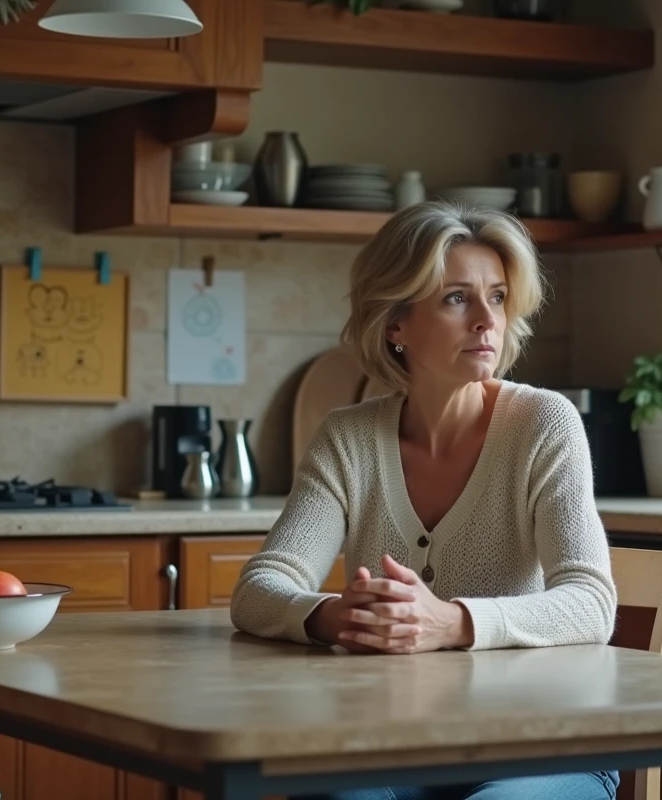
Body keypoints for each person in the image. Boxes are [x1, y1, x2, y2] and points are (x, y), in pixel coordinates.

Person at [229, 200, 620, 800]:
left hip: (540, 743)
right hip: (391, 746)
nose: (486, 321)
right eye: (457, 298)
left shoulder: (545, 424)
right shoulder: (348, 438)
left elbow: (591, 604)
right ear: (396, 324)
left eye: (497, 297)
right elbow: (258, 591)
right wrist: (338, 617)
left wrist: (450, 621)